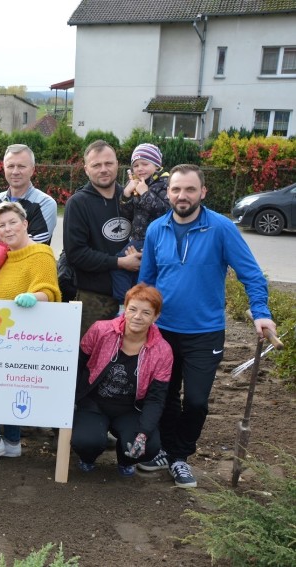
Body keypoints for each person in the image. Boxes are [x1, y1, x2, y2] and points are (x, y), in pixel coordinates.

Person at [137, 164, 277, 488]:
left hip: (205, 332)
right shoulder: (157, 229)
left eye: (189, 190)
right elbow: (146, 281)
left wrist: (261, 312)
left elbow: (251, 275)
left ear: (203, 192)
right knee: (166, 396)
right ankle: (172, 455)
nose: (182, 196)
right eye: (176, 190)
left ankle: (181, 453)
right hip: (163, 331)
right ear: (168, 192)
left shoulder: (221, 228)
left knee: (196, 401)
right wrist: (136, 319)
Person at [0, 201, 60, 461]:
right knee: (1, 387)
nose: (7, 229)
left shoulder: (39, 253)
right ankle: (9, 441)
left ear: (25, 224)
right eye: (1, 225)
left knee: (3, 386)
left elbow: (49, 290)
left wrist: (34, 297)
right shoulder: (6, 256)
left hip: (19, 336)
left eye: (12, 223)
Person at [72, 284, 172, 476]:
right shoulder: (101, 330)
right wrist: (73, 400)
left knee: (149, 446)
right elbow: (78, 364)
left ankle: (126, 460)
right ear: (124, 309)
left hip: (131, 409)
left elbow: (156, 397)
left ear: (155, 317)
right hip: (94, 404)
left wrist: (143, 433)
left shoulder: (163, 351)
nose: (137, 316)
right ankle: (88, 457)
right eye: (132, 309)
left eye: (146, 312)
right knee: (86, 441)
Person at [63, 140, 140, 334]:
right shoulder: (78, 203)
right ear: (86, 169)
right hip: (94, 299)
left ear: (117, 164)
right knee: (89, 358)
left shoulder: (134, 196)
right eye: (96, 165)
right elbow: (76, 254)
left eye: (109, 163)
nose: (103, 169)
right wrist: (120, 263)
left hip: (135, 298)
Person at [111, 143, 170, 307]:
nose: (140, 168)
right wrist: (126, 195)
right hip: (137, 238)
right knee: (136, 274)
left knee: (119, 266)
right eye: (136, 165)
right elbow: (127, 214)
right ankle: (135, 306)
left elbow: (165, 212)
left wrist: (145, 193)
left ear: (157, 165)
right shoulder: (139, 183)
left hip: (154, 239)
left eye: (145, 164)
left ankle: (125, 307)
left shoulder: (165, 184)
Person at [0, 144, 57, 244]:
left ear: (32, 170)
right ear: (4, 169)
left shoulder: (45, 203)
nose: (15, 172)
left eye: (21, 166)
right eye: (10, 166)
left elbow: (37, 242)